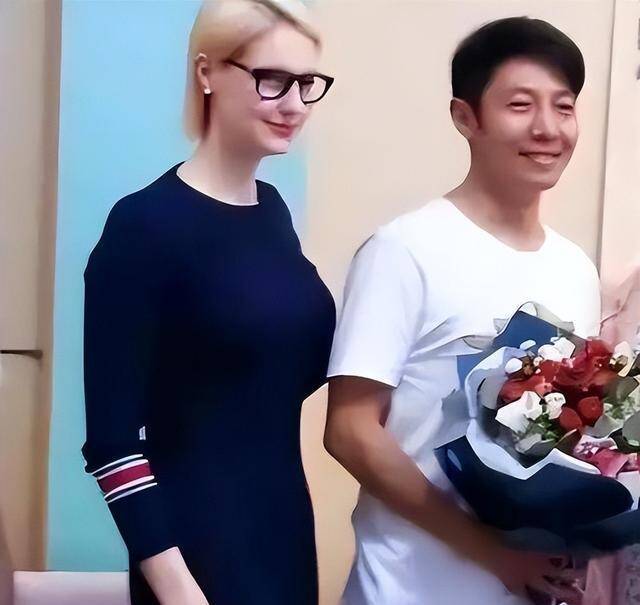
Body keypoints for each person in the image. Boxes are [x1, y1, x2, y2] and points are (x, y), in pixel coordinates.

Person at [324, 17, 600, 605]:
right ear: (465, 117)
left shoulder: (576, 269)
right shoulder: (404, 250)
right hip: (407, 588)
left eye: (564, 106)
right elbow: (349, 431)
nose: (547, 128)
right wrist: (489, 552)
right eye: (520, 105)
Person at [81, 1, 335, 604]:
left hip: (283, 534)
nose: (295, 104)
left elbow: (276, 379)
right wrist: (177, 590)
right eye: (271, 79)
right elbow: (113, 444)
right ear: (206, 73)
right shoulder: (144, 226)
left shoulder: (273, 214)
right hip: (196, 553)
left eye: (306, 83)